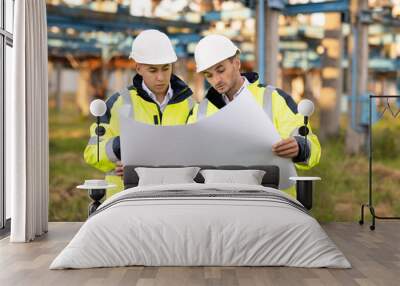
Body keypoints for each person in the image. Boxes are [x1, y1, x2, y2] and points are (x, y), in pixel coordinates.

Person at [188, 34, 321, 196]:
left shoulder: (274, 99)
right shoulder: (200, 111)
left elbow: (311, 146)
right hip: (221, 201)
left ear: (236, 63)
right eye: (209, 75)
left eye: (221, 70)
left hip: (273, 201)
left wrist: (300, 147)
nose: (216, 80)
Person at [84, 29, 194, 197]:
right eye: (152, 70)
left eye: (165, 69)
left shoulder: (190, 105)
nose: (161, 77)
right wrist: (119, 149)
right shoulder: (116, 104)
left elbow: (201, 153)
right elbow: (93, 153)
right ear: (138, 68)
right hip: (126, 200)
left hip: (174, 198)